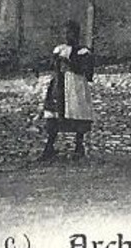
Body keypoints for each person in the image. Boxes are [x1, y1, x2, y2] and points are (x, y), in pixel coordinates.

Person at [37, 18, 95, 161]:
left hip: (75, 86)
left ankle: (79, 145)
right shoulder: (59, 50)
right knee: (53, 115)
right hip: (59, 85)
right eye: (64, 33)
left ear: (76, 35)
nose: (66, 36)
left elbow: (86, 71)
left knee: (77, 113)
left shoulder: (83, 52)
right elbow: (52, 65)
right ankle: (49, 147)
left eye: (70, 33)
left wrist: (69, 63)